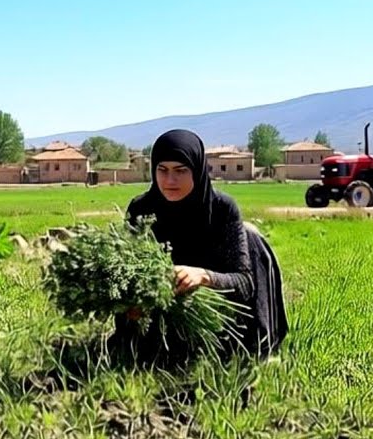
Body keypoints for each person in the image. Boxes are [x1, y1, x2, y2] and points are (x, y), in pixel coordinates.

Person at [124, 128, 289, 360]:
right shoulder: (141, 209)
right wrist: (132, 303)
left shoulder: (221, 209)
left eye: (181, 171)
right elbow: (126, 276)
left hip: (218, 322)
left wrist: (204, 277)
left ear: (198, 170)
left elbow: (245, 284)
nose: (170, 180)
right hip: (160, 318)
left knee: (251, 236)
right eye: (162, 170)